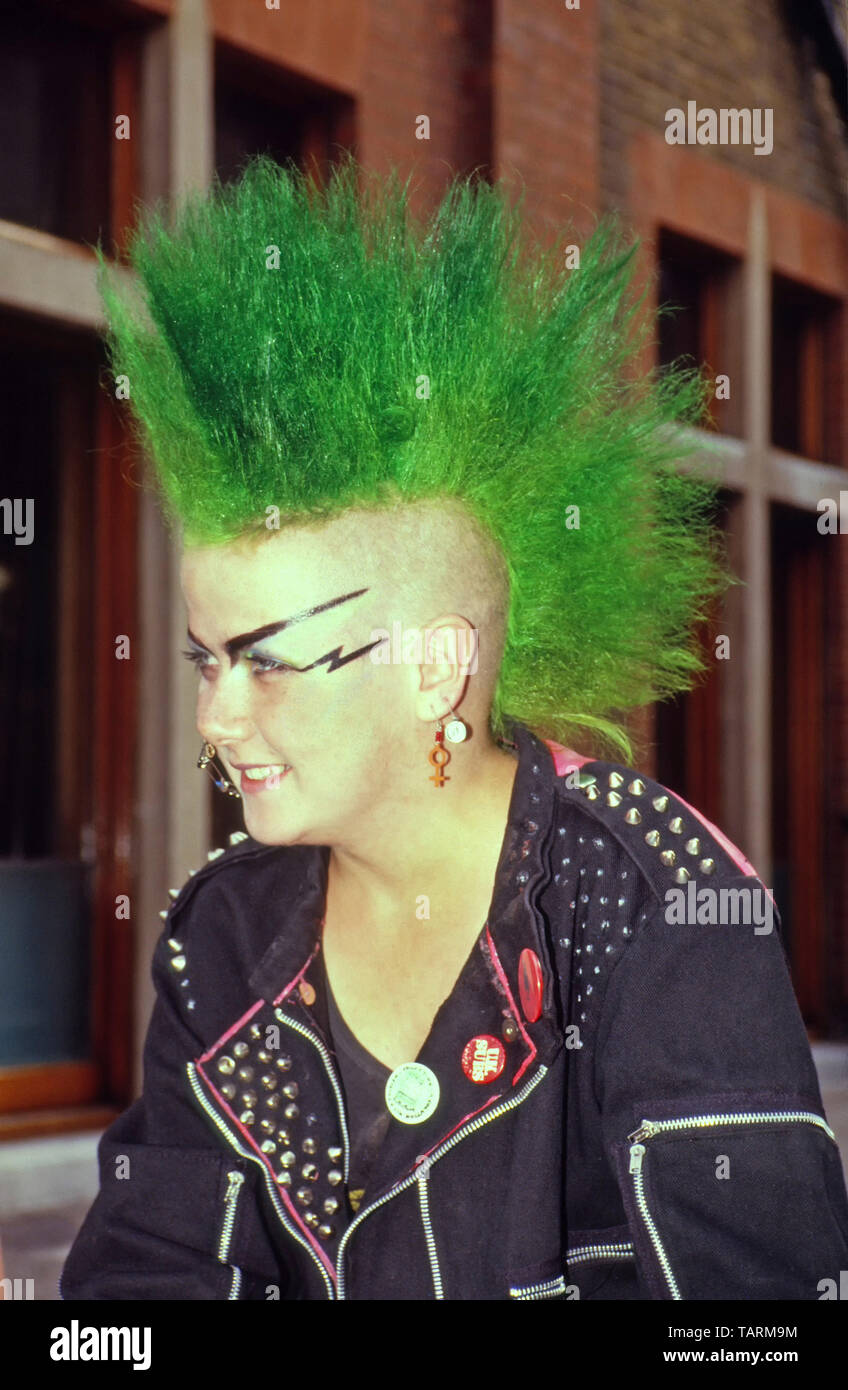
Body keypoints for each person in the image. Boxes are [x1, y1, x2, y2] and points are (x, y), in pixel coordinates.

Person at [61, 154, 848, 1300]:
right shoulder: (222, 936)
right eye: (204, 659)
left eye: (267, 662)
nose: (216, 714)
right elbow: (139, 1288)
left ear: (438, 668)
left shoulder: (649, 903)